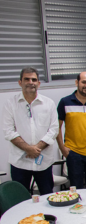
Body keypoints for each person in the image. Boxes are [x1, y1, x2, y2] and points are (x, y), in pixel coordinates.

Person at [2, 67, 59, 195]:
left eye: (34, 79)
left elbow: (54, 129)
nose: (30, 82)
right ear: (20, 82)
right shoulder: (10, 104)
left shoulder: (48, 103)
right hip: (20, 162)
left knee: (47, 196)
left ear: (38, 83)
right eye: (26, 79)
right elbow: (9, 131)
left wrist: (36, 148)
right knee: (20, 198)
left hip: (43, 161)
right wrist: (28, 148)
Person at [57, 72, 86, 188]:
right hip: (73, 152)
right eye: (84, 82)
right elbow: (56, 127)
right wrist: (62, 148)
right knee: (76, 187)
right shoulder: (65, 102)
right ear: (77, 82)